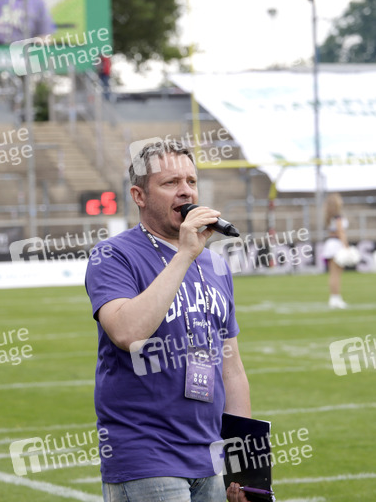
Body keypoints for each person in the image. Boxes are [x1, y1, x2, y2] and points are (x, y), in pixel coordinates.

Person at [85, 140, 251, 502]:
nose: (186, 191)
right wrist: (185, 254)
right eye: (171, 182)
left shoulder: (216, 265)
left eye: (191, 181)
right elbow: (127, 332)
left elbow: (232, 368)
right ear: (139, 196)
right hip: (146, 454)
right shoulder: (113, 255)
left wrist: (243, 465)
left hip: (209, 455)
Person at [321, 193, 349, 309]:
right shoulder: (338, 217)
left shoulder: (329, 216)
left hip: (330, 244)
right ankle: (335, 298)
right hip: (336, 244)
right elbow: (341, 232)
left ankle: (335, 298)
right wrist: (346, 246)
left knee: (333, 274)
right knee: (336, 274)